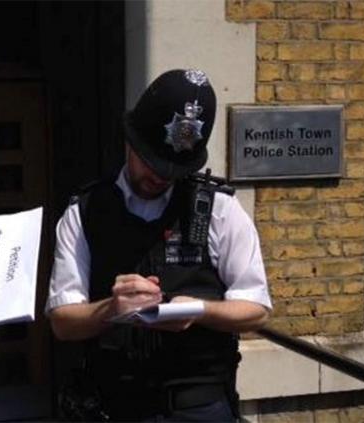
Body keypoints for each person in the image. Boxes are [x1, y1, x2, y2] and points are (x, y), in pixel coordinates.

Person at [46, 68, 272, 422]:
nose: (160, 177)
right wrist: (111, 309)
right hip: (117, 404)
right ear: (130, 142)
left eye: (174, 169)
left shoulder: (218, 209)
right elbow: (62, 322)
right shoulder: (86, 212)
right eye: (151, 162)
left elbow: (256, 308)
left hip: (200, 404)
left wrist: (199, 310)